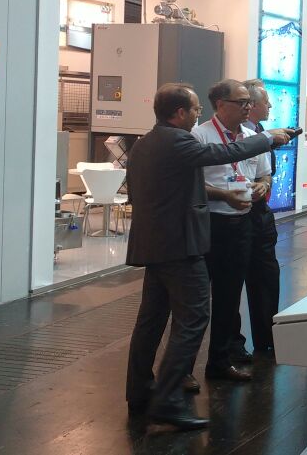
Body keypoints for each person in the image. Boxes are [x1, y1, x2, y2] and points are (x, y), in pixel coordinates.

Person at [125, 83, 291, 430]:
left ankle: (140, 390)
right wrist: (267, 138)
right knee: (195, 316)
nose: (198, 114)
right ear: (180, 113)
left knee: (151, 320)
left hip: (155, 245)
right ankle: (168, 398)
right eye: (195, 109)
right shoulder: (180, 141)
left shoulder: (144, 143)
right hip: (180, 246)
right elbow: (222, 154)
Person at [192, 79, 274, 383]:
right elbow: (190, 184)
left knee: (229, 297)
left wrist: (261, 186)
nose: (248, 107)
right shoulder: (200, 136)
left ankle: (220, 360)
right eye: (242, 102)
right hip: (210, 225)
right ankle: (182, 370)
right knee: (197, 301)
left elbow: (265, 175)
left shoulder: (253, 138)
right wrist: (223, 195)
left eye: (249, 102)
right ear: (220, 105)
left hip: (242, 225)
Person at [229, 80, 284, 357]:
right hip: (230, 218)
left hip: (259, 215)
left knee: (266, 277)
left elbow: (265, 174)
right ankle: (233, 346)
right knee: (230, 284)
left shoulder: (258, 135)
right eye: (264, 101)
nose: (269, 105)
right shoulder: (209, 136)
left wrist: (263, 183)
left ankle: (267, 339)